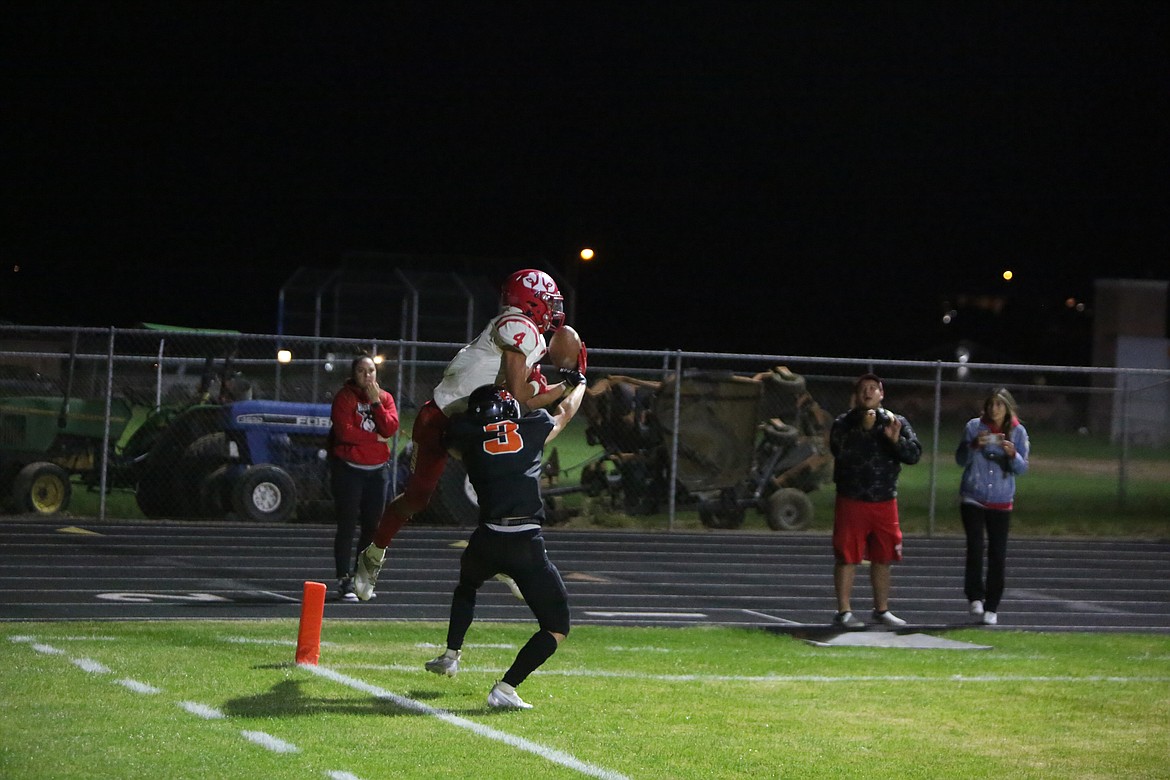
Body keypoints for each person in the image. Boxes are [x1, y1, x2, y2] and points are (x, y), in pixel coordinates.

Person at [353, 269, 587, 601]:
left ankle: (507, 562)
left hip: (476, 422)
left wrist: (560, 386)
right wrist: (566, 386)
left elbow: (522, 397)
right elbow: (522, 397)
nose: (552, 309)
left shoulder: (524, 336)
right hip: (443, 417)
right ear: (531, 301)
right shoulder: (519, 327)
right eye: (548, 301)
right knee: (418, 498)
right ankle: (374, 552)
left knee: (499, 493)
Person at [424, 382, 585, 709]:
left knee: (467, 586)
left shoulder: (467, 436)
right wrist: (578, 384)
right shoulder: (532, 427)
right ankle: (506, 687)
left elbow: (453, 441)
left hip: (487, 537)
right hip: (524, 542)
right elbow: (564, 413)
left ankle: (451, 654)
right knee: (556, 626)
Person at [829, 373, 922, 629]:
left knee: (883, 556)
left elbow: (914, 455)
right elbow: (840, 451)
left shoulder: (896, 421)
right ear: (856, 396)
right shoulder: (844, 423)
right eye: (863, 389)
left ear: (881, 394)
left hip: (884, 500)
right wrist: (863, 430)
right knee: (847, 556)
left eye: (873, 388)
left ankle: (881, 609)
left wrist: (895, 440)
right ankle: (844, 611)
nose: (868, 393)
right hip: (852, 499)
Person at [955, 388, 1030, 626]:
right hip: (973, 495)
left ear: (1007, 408)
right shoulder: (973, 427)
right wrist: (973, 446)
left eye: (999, 405)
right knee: (975, 545)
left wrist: (1012, 454)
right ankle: (975, 596)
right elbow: (960, 460)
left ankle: (992, 605)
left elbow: (1022, 468)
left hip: (1001, 497)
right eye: (991, 404)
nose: (994, 409)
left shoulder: (1018, 431)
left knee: (998, 553)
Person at [328, 354, 399, 602]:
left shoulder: (386, 398)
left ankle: (362, 579)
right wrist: (374, 439)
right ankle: (343, 579)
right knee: (347, 524)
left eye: (371, 371)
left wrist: (376, 404)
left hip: (377, 471)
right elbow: (344, 432)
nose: (367, 375)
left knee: (373, 527)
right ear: (353, 373)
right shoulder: (344, 398)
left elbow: (390, 428)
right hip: (349, 469)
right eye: (361, 371)